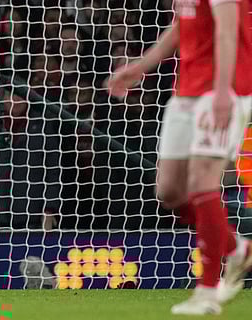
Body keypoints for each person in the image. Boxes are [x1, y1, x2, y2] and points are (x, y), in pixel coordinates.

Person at [108, 0, 252, 315]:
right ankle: (236, 247)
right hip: (186, 90)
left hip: (221, 89)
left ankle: (208, 293)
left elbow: (227, 33)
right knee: (169, 191)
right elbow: (180, 26)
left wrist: (223, 92)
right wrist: (140, 66)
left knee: (203, 183)